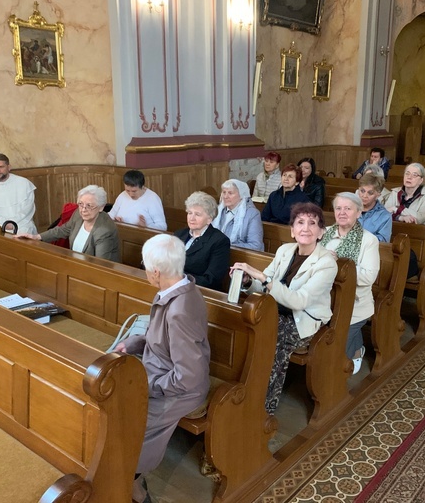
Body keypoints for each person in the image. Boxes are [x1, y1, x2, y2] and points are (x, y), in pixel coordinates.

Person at [114, 234, 210, 503]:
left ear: (156, 272)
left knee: (130, 426)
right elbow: (166, 341)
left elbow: (188, 377)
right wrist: (135, 342)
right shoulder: (179, 288)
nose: (145, 270)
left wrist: (149, 387)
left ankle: (133, 484)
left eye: (145, 265)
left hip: (179, 390)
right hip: (162, 374)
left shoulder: (180, 309)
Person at [231, 203, 337, 415]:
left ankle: (264, 409)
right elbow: (264, 285)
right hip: (276, 311)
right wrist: (247, 280)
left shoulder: (326, 263)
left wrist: (262, 277)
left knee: (273, 337)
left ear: (321, 232)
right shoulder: (284, 251)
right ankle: (243, 392)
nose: (305, 228)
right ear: (292, 230)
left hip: (304, 319)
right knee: (242, 326)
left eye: (312, 223)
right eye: (300, 222)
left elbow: (299, 301)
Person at [321, 193, 380, 375]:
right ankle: (356, 345)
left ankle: (354, 347)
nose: (342, 212)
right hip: (323, 301)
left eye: (348, 208)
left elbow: (369, 276)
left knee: (335, 356)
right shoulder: (325, 233)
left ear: (359, 213)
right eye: (338, 208)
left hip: (354, 305)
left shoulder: (368, 240)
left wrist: (338, 266)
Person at [16, 185, 121, 262]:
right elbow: (64, 229)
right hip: (76, 265)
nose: (83, 210)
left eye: (89, 206)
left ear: (101, 207)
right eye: (80, 204)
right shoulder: (78, 214)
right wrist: (36, 237)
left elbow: (101, 264)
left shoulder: (104, 230)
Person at [174, 191, 230, 291]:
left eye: (197, 214)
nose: (192, 218)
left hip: (199, 292)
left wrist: (178, 279)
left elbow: (211, 280)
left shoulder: (219, 241)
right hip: (174, 286)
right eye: (189, 213)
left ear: (209, 219)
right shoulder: (179, 234)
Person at [0, 153, 38, 235]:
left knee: (25, 235)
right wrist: (4, 224)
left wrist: (13, 223)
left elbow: (28, 208)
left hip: (23, 225)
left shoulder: (24, 184)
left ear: (9, 167)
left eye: (1, 167)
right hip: (0, 228)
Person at [212, 179, 264, 251]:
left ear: (241, 195)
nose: (226, 196)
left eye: (230, 193)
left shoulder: (252, 214)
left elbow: (255, 245)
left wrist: (225, 245)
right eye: (224, 192)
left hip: (241, 257)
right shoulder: (217, 211)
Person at [357, 174, 392, 242]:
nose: (365, 196)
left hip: (370, 250)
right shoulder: (350, 208)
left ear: (378, 195)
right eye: (362, 191)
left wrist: (360, 238)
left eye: (370, 193)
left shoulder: (385, 216)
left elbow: (383, 242)